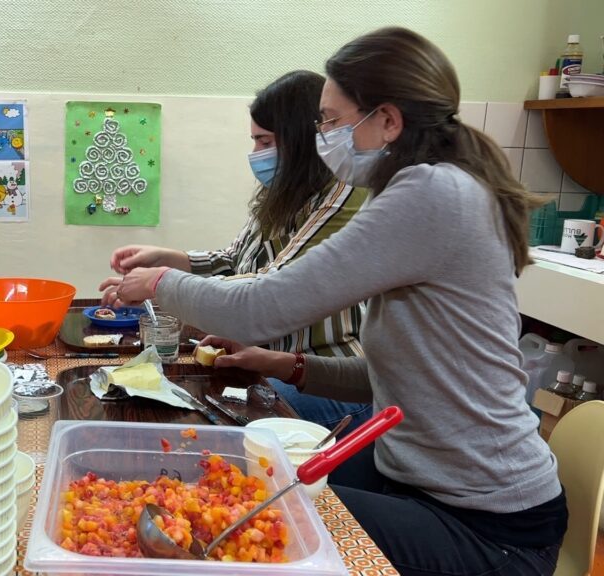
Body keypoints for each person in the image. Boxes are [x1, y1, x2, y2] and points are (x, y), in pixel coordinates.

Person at [114, 27, 566, 576]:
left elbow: (260, 306)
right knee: (256, 484)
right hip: (412, 477)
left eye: (330, 120)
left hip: (489, 521)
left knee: (266, 527)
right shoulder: (434, 189)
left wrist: (160, 282)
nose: (323, 134)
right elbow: (398, 373)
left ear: (388, 120)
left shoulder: (431, 194)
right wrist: (287, 366)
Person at [101, 70, 371, 434]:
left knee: (224, 428)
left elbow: (271, 288)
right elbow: (232, 261)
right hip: (273, 360)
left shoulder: (344, 197)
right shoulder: (280, 195)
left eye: (264, 142)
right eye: (254, 142)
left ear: (301, 139)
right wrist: (164, 258)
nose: (256, 155)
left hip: (330, 375)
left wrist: (159, 284)